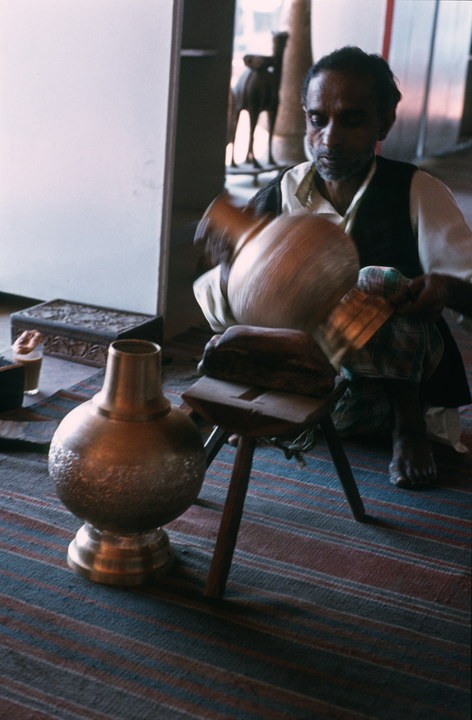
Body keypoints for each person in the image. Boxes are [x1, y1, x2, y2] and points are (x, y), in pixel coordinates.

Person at [193, 46, 472, 489]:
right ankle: (258, 410)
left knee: (374, 281)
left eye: (352, 120)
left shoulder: (416, 191)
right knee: (255, 289)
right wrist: (230, 264)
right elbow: (227, 304)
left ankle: (408, 432)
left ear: (384, 122)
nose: (330, 139)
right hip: (309, 383)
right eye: (317, 119)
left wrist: (445, 289)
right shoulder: (281, 193)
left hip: (393, 392)